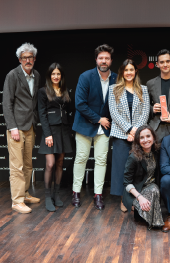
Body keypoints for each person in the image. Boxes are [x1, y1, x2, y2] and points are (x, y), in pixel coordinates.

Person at [72, 45, 118, 210]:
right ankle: (76, 191)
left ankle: (98, 194)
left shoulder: (117, 79)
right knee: (81, 158)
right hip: (85, 125)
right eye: (100, 58)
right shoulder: (85, 76)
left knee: (101, 161)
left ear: (111, 60)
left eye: (106, 58)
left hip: (104, 128)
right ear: (96, 60)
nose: (103, 61)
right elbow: (80, 104)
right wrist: (99, 119)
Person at [2, 43, 41, 215]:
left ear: (34, 59)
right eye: (24, 57)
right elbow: (7, 103)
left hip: (30, 126)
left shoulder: (37, 75)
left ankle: (24, 194)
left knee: (27, 164)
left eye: (30, 57)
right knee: (16, 166)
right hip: (16, 128)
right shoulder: (12, 75)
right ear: (20, 59)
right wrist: (12, 127)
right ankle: (17, 201)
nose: (28, 60)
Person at [108, 59, 150, 207]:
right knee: (121, 167)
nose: (129, 73)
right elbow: (114, 112)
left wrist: (136, 132)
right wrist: (129, 129)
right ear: (122, 72)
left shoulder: (143, 89)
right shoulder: (113, 88)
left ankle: (137, 196)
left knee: (137, 168)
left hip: (139, 136)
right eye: (126, 70)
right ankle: (124, 199)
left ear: (135, 71)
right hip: (121, 134)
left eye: (131, 69)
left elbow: (145, 112)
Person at [37, 63, 75, 212]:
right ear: (49, 76)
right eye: (53, 74)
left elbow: (68, 111)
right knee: (50, 164)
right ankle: (47, 197)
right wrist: (47, 134)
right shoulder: (43, 91)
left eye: (58, 74)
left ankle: (56, 195)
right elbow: (42, 113)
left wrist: (70, 129)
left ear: (61, 76)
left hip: (64, 130)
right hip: (50, 131)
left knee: (60, 163)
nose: (56, 76)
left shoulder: (65, 91)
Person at [123, 125, 164, 230]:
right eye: (141, 137)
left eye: (148, 136)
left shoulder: (157, 152)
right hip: (136, 190)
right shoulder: (133, 157)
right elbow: (126, 183)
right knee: (153, 191)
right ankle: (154, 221)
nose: (145, 140)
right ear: (137, 140)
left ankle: (145, 216)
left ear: (153, 138)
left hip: (151, 186)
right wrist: (140, 197)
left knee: (154, 189)